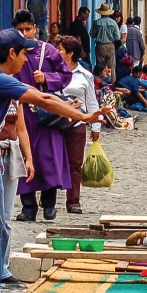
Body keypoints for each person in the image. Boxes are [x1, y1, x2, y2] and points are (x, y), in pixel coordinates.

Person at [0, 29, 101, 293]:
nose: (27, 60)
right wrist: (82, 116)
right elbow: (43, 99)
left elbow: (44, 97)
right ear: (11, 54)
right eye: (24, 54)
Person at [11, 10, 73, 223]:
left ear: (35, 28)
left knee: (49, 158)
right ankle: (28, 207)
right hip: (22, 111)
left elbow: (66, 75)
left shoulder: (49, 51)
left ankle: (49, 204)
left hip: (45, 112)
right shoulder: (11, 52)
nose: (24, 33)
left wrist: (47, 77)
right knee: (23, 157)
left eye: (28, 29)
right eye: (20, 30)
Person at [57, 35, 100, 215]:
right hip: (54, 123)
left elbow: (91, 101)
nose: (57, 52)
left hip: (77, 123)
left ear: (70, 53)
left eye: (60, 49)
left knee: (75, 163)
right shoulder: (52, 72)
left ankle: (73, 200)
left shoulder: (85, 75)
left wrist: (95, 126)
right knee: (52, 160)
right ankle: (48, 199)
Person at [90, 4, 121, 79]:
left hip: (100, 46)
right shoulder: (113, 23)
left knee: (100, 67)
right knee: (111, 67)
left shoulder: (96, 22)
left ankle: (100, 83)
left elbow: (92, 35)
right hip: (110, 45)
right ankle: (112, 83)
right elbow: (117, 37)